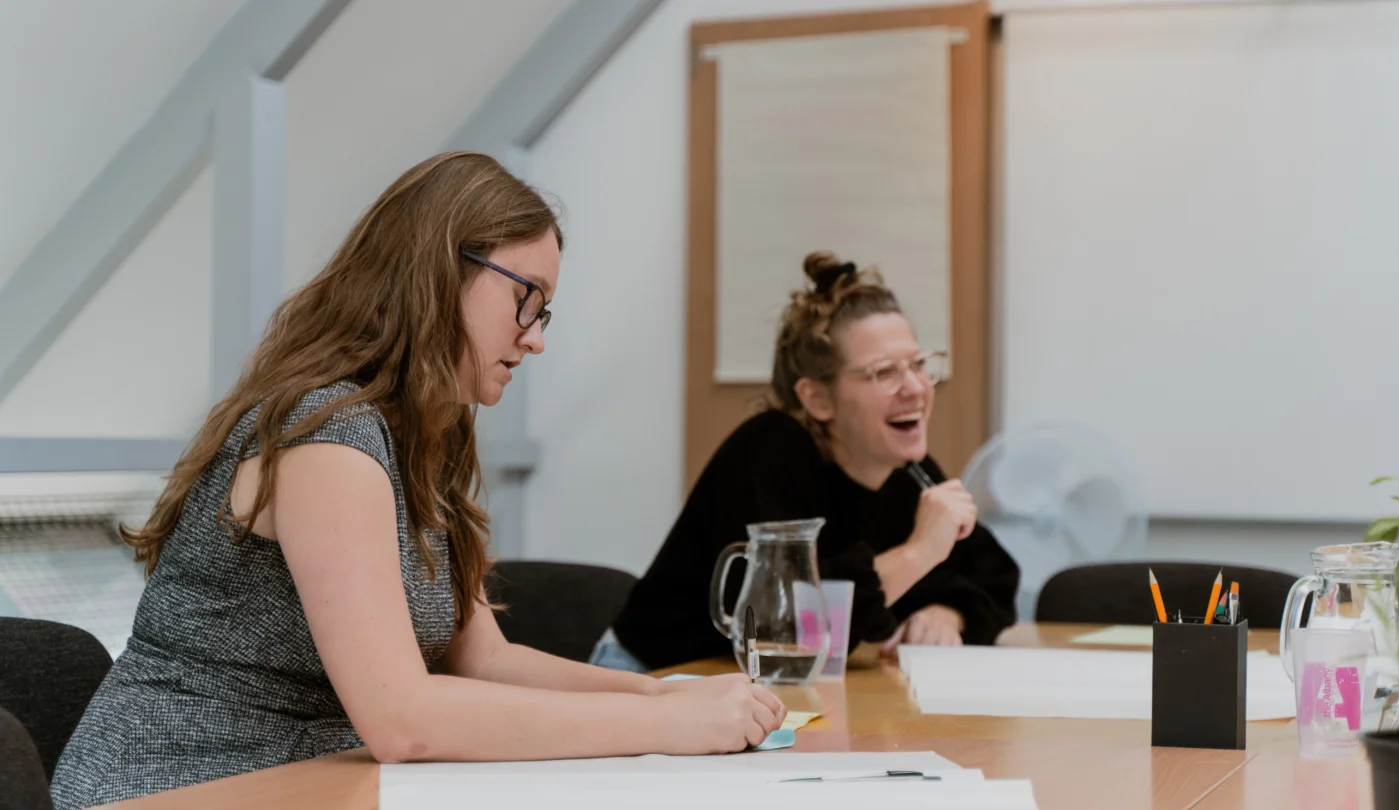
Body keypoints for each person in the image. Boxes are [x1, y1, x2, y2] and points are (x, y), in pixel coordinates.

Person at [49, 153, 784, 809]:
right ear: (439, 272)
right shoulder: (326, 440)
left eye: (545, 310)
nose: (536, 336)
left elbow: (487, 659)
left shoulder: (413, 436)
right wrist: (662, 724)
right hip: (180, 783)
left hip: (310, 776)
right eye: (526, 298)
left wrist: (665, 694)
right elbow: (402, 719)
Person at [594, 252, 1020, 673]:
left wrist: (949, 612)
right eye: (884, 373)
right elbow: (783, 625)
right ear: (817, 398)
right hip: (654, 676)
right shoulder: (768, 453)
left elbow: (996, 577)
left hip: (762, 689)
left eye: (918, 365)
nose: (915, 388)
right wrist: (919, 552)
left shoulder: (907, 471)